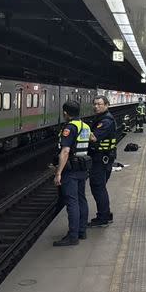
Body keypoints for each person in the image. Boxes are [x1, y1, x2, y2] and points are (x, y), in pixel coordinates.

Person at [53, 100, 92, 247]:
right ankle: (82, 231)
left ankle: (73, 236)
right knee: (81, 199)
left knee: (72, 202)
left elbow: (65, 151)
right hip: (83, 167)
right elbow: (91, 140)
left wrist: (58, 173)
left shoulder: (69, 127)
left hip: (71, 170)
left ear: (65, 113)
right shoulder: (85, 126)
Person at [88, 95, 117, 227]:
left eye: (99, 104)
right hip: (102, 158)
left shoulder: (106, 121)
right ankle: (106, 214)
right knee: (100, 187)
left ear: (107, 105)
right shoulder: (101, 118)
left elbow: (94, 138)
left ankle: (103, 218)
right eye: (94, 104)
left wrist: (81, 128)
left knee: (98, 187)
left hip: (102, 159)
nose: (96, 106)